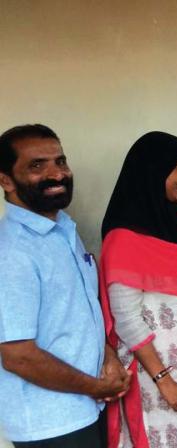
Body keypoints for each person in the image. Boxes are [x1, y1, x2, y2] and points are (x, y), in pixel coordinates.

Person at [0, 124, 129, 448]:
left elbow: (79, 314)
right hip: (51, 423)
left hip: (87, 406)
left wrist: (109, 355)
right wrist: (95, 387)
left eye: (60, 161)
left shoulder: (63, 230)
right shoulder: (12, 252)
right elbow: (18, 356)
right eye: (37, 166)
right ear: (5, 180)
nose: (57, 174)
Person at [100, 131, 177, 448]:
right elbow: (127, 318)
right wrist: (164, 381)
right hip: (154, 371)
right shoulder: (123, 237)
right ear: (153, 172)